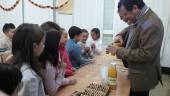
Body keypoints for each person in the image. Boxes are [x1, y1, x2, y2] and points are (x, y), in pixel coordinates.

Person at [106, 0, 164, 96]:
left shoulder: (151, 24)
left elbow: (145, 54)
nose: (123, 19)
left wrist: (118, 50)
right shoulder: (142, 17)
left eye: (125, 15)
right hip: (134, 72)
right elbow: (132, 27)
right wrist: (120, 34)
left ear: (135, 8)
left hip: (142, 78)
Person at [39, 29, 76, 96]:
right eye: (59, 41)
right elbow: (52, 91)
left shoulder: (52, 57)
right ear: (54, 43)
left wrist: (68, 81)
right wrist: (62, 69)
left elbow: (55, 78)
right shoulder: (48, 65)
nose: (66, 40)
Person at [12, 23, 46, 96]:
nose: (44, 46)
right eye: (43, 43)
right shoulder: (30, 78)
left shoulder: (15, 65)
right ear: (34, 46)